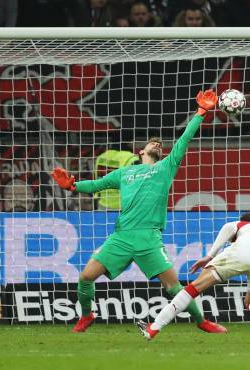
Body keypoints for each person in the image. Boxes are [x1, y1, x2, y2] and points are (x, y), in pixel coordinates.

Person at [51, 90, 226, 335]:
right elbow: (95, 185)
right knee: (85, 277)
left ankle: (201, 321)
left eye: (159, 144)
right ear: (140, 152)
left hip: (148, 238)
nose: (157, 143)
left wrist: (200, 113)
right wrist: (71, 185)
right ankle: (86, 315)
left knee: (174, 287)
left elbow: (184, 139)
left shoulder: (165, 168)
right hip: (121, 237)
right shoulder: (124, 173)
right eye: (151, 142)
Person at [138, 213, 250, 343]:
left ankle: (154, 327)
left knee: (193, 288)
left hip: (242, 253)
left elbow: (228, 227)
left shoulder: (243, 224)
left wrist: (209, 256)